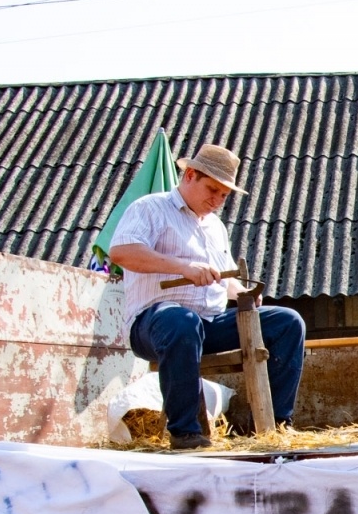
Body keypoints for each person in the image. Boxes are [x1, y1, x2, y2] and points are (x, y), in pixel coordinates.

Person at [109, 144, 306, 450]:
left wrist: (242, 292)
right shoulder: (150, 208)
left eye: (224, 195)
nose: (217, 200)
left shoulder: (215, 227)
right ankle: (186, 433)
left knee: (288, 322)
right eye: (212, 190)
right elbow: (122, 252)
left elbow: (224, 278)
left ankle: (276, 427)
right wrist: (182, 267)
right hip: (155, 324)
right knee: (182, 322)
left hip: (209, 323)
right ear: (190, 175)